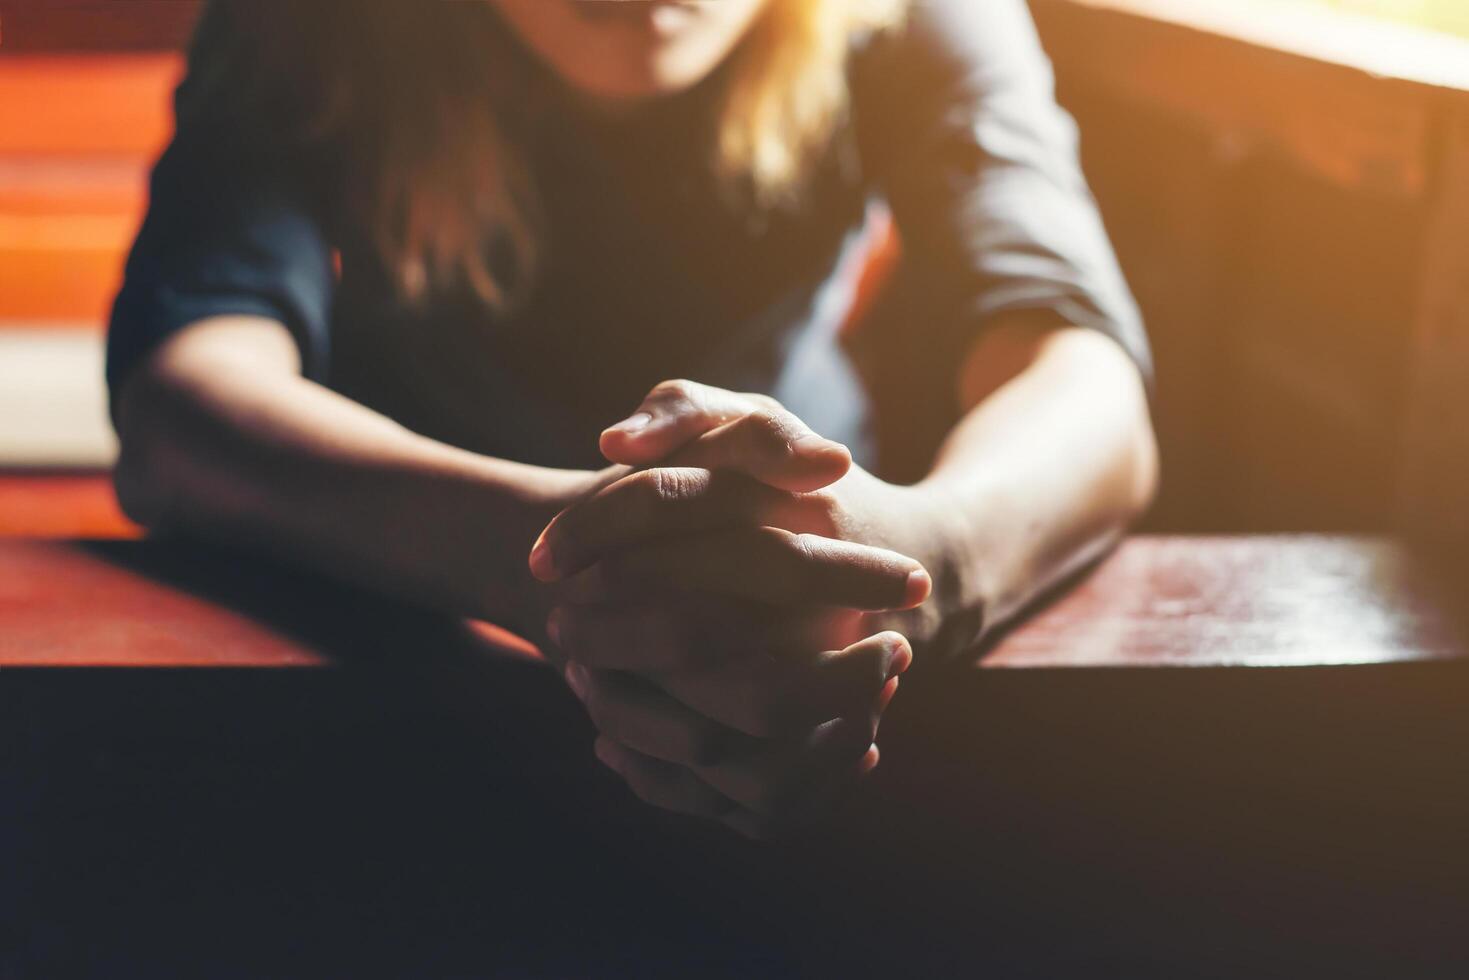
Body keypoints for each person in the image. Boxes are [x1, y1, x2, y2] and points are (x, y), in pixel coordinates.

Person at [108, 0, 1157, 839]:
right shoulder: (311, 20)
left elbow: (1081, 371)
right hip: (410, 660)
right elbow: (184, 389)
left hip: (810, 641)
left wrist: (921, 560)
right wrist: (540, 557)